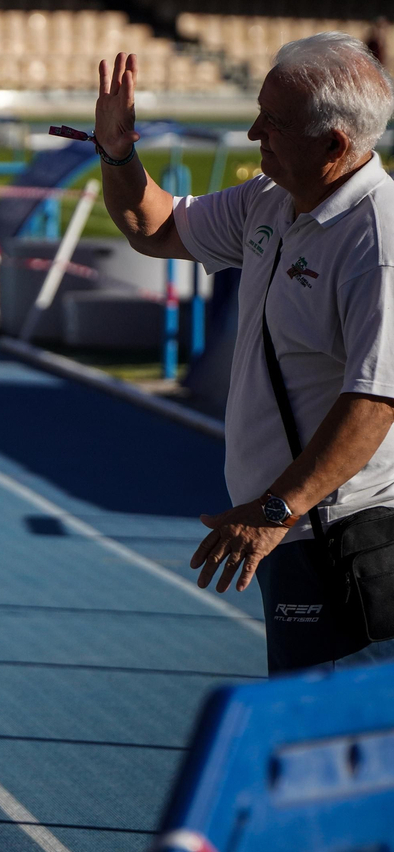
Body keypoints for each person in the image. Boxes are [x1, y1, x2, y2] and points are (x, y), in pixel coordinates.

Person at [93, 35, 394, 673]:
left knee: (337, 742)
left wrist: (275, 509)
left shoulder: (378, 240)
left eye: (274, 122)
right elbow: (156, 229)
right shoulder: (271, 199)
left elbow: (375, 401)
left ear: (336, 145)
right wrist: (118, 153)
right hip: (294, 527)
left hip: (343, 534)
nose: (255, 132)